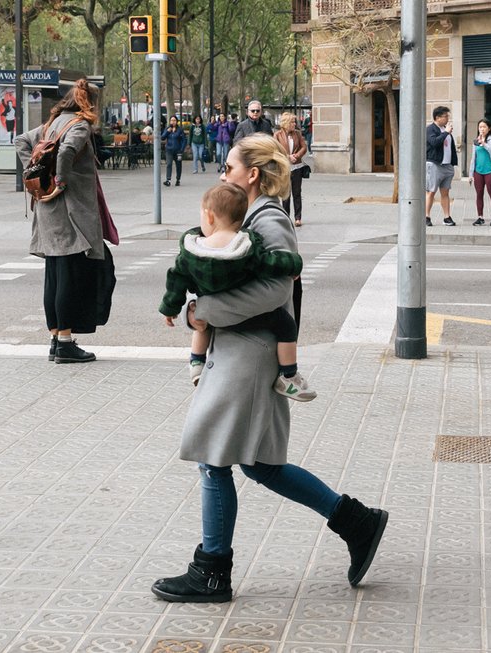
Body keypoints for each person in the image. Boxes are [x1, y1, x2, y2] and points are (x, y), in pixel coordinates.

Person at [150, 134, 388, 603]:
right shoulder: (251, 214)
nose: (223, 174)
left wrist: (206, 311)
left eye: (229, 168)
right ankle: (356, 521)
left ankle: (213, 571)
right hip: (242, 351)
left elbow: (276, 293)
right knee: (260, 464)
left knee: (215, 458)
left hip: (250, 354)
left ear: (252, 173)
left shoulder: (269, 218)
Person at [159, 183, 315, 400]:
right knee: (285, 324)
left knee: (202, 319)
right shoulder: (245, 248)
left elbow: (176, 279)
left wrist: (170, 308)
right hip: (246, 318)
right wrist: (294, 264)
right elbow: (270, 264)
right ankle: (288, 375)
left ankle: (196, 361)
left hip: (211, 319)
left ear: (210, 217)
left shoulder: (192, 250)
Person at [15, 78, 117, 364]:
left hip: (46, 208)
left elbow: (20, 140)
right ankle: (65, 343)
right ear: (91, 102)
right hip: (70, 210)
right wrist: (60, 180)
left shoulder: (52, 124)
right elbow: (66, 151)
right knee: (70, 276)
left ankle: (55, 338)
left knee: (55, 274)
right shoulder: (79, 125)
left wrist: (34, 173)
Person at [275, 112, 309, 228]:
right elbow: (274, 150)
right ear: (286, 123)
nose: (295, 124)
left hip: (297, 167)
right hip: (284, 167)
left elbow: (304, 147)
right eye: (292, 122)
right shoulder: (277, 135)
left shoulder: (298, 134)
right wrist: (287, 156)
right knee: (286, 194)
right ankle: (286, 217)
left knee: (297, 192)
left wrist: (297, 156)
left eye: (295, 122)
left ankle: (298, 218)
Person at [426, 105, 457, 226]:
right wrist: (446, 133)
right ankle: (426, 217)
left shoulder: (445, 129)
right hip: (434, 164)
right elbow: (434, 143)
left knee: (445, 192)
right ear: (437, 117)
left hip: (447, 165)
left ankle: (447, 217)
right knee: (431, 191)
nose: (447, 119)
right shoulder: (430, 129)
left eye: (448, 116)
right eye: (445, 116)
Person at [468, 117, 491, 226]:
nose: (482, 129)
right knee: (479, 194)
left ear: (489, 128)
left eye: (484, 127)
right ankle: (480, 217)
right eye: (480, 127)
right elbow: (473, 158)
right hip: (478, 171)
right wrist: (470, 174)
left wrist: (485, 144)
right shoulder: (476, 141)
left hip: (490, 170)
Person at [162, 115, 187, 187]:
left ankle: (178, 179)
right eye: (171, 120)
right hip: (169, 150)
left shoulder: (180, 130)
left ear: (177, 121)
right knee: (169, 164)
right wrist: (167, 132)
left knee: (178, 165)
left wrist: (181, 149)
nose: (173, 122)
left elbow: (184, 140)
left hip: (178, 151)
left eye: (174, 120)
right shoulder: (167, 129)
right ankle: (168, 180)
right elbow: (163, 137)